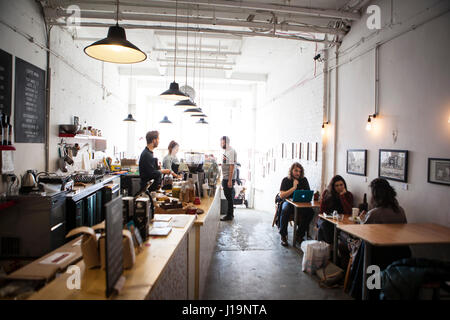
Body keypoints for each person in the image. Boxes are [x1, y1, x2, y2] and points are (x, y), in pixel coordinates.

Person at [348, 178, 410, 300]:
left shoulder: (374, 213)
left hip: (376, 256)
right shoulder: (400, 210)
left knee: (348, 241)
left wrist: (361, 220)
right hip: (399, 253)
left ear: (375, 195)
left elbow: (361, 233)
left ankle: (367, 292)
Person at [278, 162, 315, 246]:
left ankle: (299, 235)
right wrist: (294, 188)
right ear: (291, 171)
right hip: (288, 202)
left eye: (299, 171)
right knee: (285, 209)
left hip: (300, 204)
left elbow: (307, 193)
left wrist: (304, 194)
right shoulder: (286, 180)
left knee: (310, 212)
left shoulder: (304, 180)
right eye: (296, 171)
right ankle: (283, 235)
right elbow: (282, 195)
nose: (298, 173)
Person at [317, 175, 354, 244]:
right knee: (325, 226)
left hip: (340, 221)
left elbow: (348, 212)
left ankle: (330, 249)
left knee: (333, 229)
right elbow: (322, 211)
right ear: (333, 187)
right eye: (336, 186)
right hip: (325, 219)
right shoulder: (327, 193)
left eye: (341, 185)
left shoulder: (348, 195)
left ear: (344, 185)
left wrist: (342, 197)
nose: (339, 187)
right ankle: (330, 249)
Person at [220, 136, 237, 221]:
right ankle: (231, 214)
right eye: (221, 142)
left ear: (227, 143)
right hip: (226, 177)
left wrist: (230, 180)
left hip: (228, 178)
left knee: (229, 197)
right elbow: (226, 163)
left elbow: (231, 166)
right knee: (229, 196)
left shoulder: (230, 151)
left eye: (222, 143)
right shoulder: (226, 151)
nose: (221, 144)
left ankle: (229, 215)